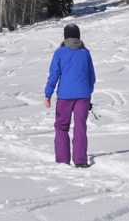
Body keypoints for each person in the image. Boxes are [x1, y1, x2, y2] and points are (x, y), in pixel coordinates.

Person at [45, 23, 96, 168]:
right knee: (80, 126)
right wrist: (87, 91)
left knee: (61, 126)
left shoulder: (59, 53)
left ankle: (62, 160)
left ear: (65, 36)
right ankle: (80, 161)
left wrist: (48, 93)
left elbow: (54, 75)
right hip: (83, 96)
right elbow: (92, 77)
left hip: (65, 96)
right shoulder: (85, 52)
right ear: (78, 35)